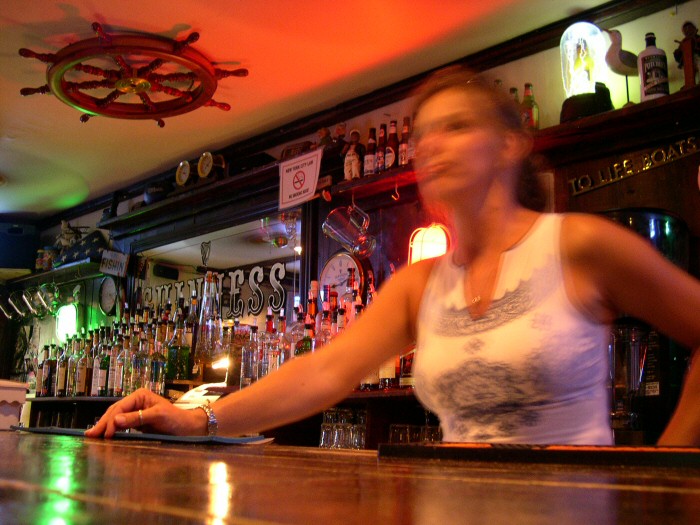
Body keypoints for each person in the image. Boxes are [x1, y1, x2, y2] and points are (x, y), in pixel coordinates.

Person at [86, 66, 700, 446]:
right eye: (422, 134)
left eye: (456, 127)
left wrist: (670, 470)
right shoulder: (420, 284)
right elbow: (323, 372)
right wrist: (200, 419)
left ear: (511, 142)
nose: (430, 146)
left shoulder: (576, 246)